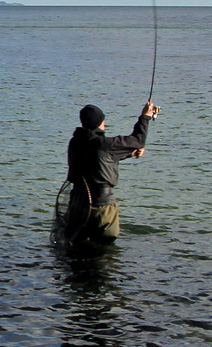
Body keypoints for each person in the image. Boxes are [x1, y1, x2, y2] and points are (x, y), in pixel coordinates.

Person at [63, 100, 157, 245]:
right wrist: (145, 117)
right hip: (102, 207)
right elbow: (138, 140)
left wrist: (128, 153)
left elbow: (98, 159)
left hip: (77, 204)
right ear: (99, 122)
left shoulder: (75, 142)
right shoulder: (105, 144)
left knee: (76, 249)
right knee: (105, 252)